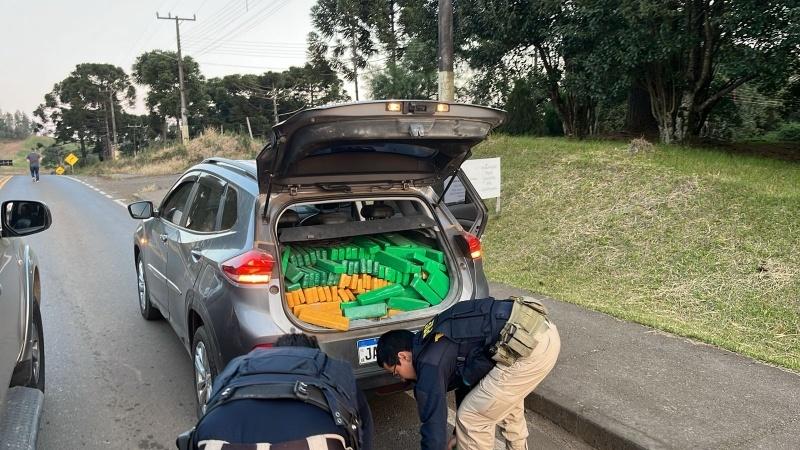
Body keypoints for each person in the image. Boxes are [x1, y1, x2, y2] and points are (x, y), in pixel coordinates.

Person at [376, 297, 560, 450]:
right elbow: (468, 380)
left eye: (395, 371)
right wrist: (457, 434)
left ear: (403, 356)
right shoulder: (430, 339)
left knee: (472, 419)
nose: (400, 378)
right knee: (498, 402)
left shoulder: (428, 363)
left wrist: (459, 432)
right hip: (536, 329)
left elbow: (433, 428)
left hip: (528, 347)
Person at [177, 333, 374, 450]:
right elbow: (364, 435)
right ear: (313, 353)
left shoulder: (236, 368)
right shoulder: (334, 369)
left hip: (214, 438)